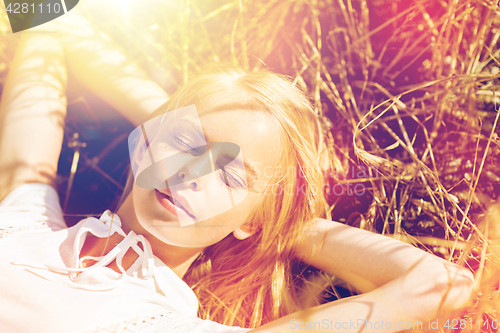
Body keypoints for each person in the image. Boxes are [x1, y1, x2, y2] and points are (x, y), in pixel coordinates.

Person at [0, 7, 474, 333]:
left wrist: (280, 221)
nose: (190, 173)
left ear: (252, 220)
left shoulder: (170, 324)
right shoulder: (23, 218)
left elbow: (440, 283)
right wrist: (170, 124)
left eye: (229, 175)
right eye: (185, 144)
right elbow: (43, 33)